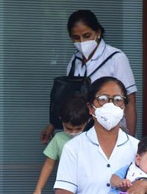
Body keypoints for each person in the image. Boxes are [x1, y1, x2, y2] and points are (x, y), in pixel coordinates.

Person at [41, 10, 138, 142]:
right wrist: (52, 125)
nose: (82, 42)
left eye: (87, 35)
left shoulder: (116, 58)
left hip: (111, 132)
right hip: (81, 134)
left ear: (98, 32)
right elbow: (68, 101)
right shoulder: (74, 61)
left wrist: (131, 141)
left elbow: (130, 102)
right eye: (76, 38)